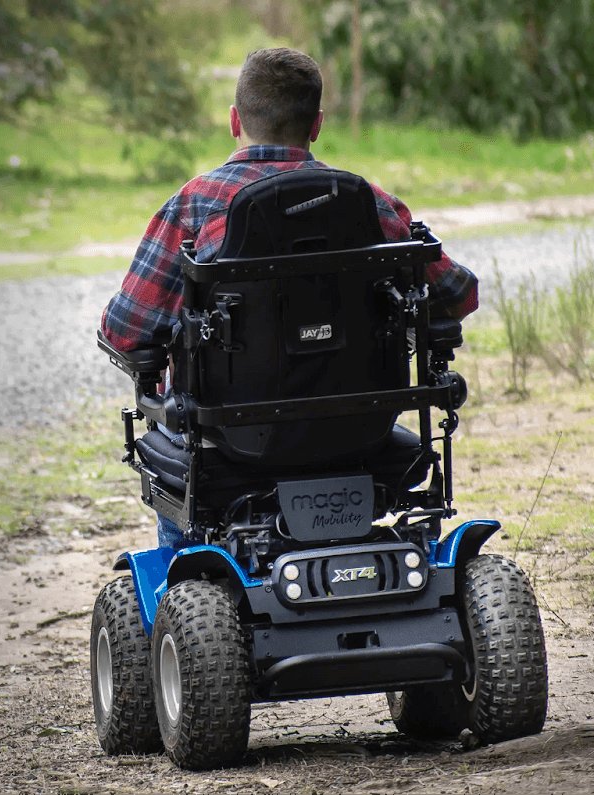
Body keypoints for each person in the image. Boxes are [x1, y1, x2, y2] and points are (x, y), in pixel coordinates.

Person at [98, 47, 479, 550]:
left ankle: (183, 573)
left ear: (235, 121)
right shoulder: (370, 204)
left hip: (230, 442)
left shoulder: (194, 205)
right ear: (316, 125)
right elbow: (458, 293)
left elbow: (125, 331)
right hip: (359, 431)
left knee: (175, 462)